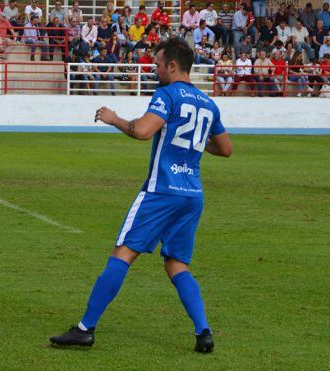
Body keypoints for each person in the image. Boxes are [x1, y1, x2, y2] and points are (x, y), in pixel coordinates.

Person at [49, 37, 232, 353]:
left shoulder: (167, 95)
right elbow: (226, 149)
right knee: (177, 264)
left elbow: (142, 130)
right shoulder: (208, 102)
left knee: (123, 253)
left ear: (173, 65)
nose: (155, 69)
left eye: (158, 64)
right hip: (192, 194)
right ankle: (203, 332)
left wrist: (114, 119)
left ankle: (85, 329)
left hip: (161, 190)